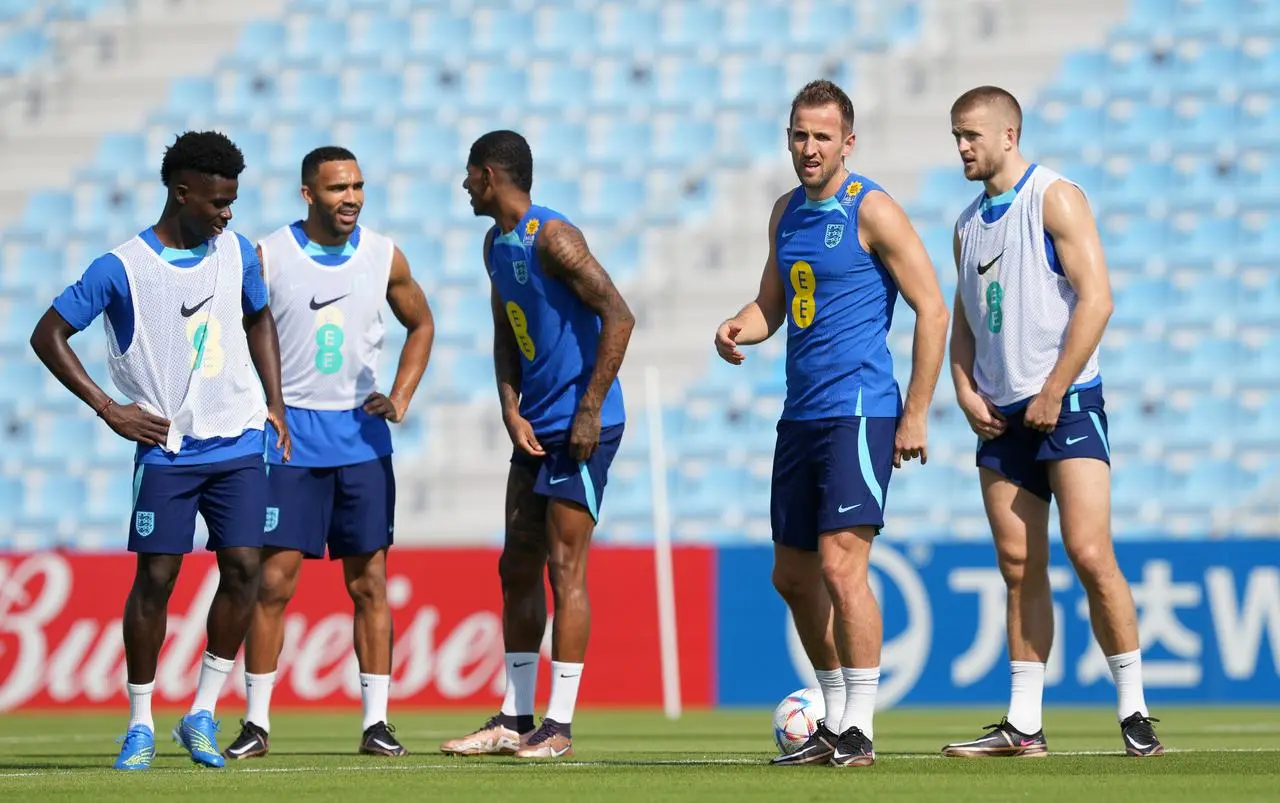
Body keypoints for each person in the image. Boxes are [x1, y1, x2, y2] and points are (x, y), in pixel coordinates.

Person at [29, 130, 291, 770]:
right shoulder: (120, 268)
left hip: (238, 437)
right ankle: (141, 722)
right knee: (156, 579)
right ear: (182, 192)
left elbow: (259, 317)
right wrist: (108, 407)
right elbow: (49, 333)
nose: (227, 213)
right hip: (169, 449)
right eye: (217, 201)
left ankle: (201, 712)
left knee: (244, 569)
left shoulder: (236, 254)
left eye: (233, 201)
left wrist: (275, 402)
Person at [715, 80, 950, 768]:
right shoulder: (785, 212)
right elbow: (770, 304)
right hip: (800, 414)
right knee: (792, 575)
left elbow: (932, 308)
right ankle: (833, 713)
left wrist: (915, 412)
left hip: (859, 410)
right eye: (799, 134)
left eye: (823, 136)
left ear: (848, 142)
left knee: (844, 567)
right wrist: (739, 328)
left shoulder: (872, 208)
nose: (809, 148)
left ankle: (860, 729)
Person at [941, 85, 1163, 758]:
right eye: (955, 136)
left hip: (1067, 405)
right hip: (1000, 417)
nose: (961, 147)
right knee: (1018, 565)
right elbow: (964, 321)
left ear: (1009, 135)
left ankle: (1135, 711)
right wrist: (962, 389)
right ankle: (1024, 724)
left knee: (1092, 553)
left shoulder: (1055, 197)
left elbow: (1097, 301)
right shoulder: (965, 224)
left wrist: (1054, 388)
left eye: (971, 135)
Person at [221, 147, 435, 760]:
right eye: (338, 187)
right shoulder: (270, 255)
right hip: (291, 439)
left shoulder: (383, 254)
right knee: (273, 582)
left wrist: (400, 394)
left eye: (359, 186)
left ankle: (377, 723)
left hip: (361, 441)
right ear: (308, 194)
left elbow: (422, 323)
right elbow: (235, 330)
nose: (352, 197)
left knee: (369, 583)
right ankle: (256, 723)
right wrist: (259, 400)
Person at [438, 130, 633, 760]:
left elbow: (619, 314)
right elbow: (506, 332)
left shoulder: (554, 236)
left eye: (470, 174)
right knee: (515, 565)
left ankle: (560, 725)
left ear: (491, 175)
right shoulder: (496, 244)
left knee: (563, 565)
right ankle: (514, 717)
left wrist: (591, 407)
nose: (464, 185)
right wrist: (508, 406)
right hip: (535, 426)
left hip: (582, 424)